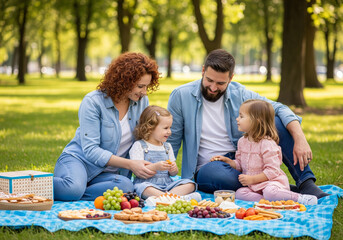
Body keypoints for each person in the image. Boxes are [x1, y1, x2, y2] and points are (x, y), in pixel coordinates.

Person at [167, 49, 329, 199]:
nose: (213, 87)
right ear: (203, 71)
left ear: (231, 78)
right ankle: (273, 187)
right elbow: (170, 140)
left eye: (221, 83)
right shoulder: (181, 96)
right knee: (216, 175)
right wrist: (162, 176)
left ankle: (305, 182)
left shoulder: (240, 93)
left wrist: (299, 137)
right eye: (209, 80)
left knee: (276, 121)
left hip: (243, 162)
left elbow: (279, 108)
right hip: (209, 167)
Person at [53, 52, 160, 201]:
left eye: (147, 86)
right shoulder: (93, 102)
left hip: (106, 174)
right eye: (140, 86)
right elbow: (90, 150)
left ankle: (79, 188)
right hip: (80, 161)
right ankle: (39, 185)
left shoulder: (142, 101)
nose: (144, 92)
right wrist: (130, 164)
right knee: (73, 188)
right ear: (125, 81)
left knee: (126, 187)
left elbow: (144, 137)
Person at [211, 99, 317, 204]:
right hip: (256, 187)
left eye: (241, 116)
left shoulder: (267, 143)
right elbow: (240, 164)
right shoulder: (242, 142)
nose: (237, 119)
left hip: (272, 183)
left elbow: (273, 170)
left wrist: (252, 179)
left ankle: (301, 198)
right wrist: (229, 162)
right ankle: (269, 201)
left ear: (256, 121)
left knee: (270, 192)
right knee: (239, 193)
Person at [129, 105, 201, 201]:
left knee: (190, 184)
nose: (169, 132)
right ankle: (177, 198)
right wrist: (155, 167)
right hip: (148, 184)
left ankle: (166, 198)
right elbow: (138, 172)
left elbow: (173, 174)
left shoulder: (167, 147)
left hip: (167, 185)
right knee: (142, 188)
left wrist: (173, 169)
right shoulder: (139, 146)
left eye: (170, 127)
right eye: (166, 128)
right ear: (150, 128)